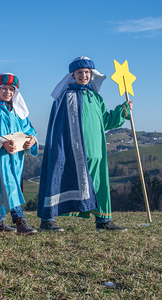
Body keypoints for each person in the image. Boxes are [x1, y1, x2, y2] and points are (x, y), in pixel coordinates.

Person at [38, 56, 132, 232]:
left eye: (87, 72)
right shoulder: (64, 97)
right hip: (73, 151)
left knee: (99, 184)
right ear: (72, 75)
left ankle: (103, 220)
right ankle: (47, 220)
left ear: (92, 75)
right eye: (80, 73)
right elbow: (57, 127)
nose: (84, 76)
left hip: (96, 150)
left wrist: (123, 110)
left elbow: (105, 121)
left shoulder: (96, 98)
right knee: (57, 177)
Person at [0, 73, 38, 235]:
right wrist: (2, 143)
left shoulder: (18, 111)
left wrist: (32, 140)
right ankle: (19, 220)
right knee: (8, 184)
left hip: (17, 156)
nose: (8, 92)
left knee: (4, 186)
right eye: (4, 89)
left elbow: (29, 131)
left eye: (11, 89)